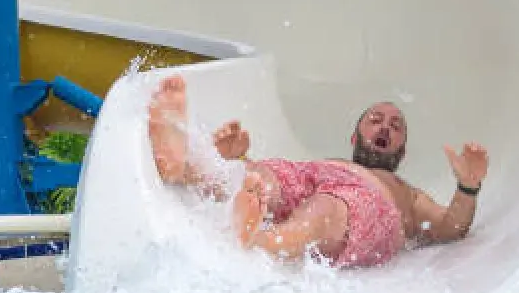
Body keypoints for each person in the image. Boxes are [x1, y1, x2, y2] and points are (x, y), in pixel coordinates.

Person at [147, 74, 489, 269]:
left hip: (369, 202)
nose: (385, 126)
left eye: (396, 126)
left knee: (326, 208)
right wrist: (239, 157)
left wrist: (468, 187)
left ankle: (264, 241)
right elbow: (280, 178)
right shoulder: (329, 161)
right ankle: (186, 166)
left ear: (402, 151)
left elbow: (450, 227)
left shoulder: (406, 193)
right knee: (266, 175)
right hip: (315, 175)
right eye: (375, 120)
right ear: (355, 137)